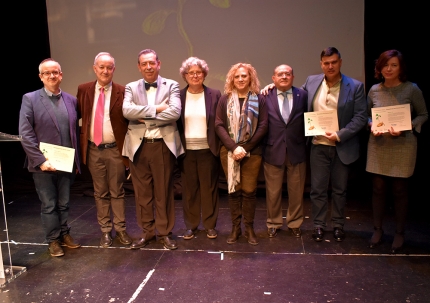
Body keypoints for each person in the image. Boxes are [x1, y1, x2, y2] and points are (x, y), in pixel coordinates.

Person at [302, 47, 367, 242]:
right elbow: (298, 101)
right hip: (318, 145)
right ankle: (319, 225)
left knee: (339, 190)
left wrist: (339, 135)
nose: (330, 66)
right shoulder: (311, 82)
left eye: (334, 62)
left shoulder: (355, 86)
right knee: (318, 189)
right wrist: (270, 88)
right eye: (326, 63)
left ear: (340, 62)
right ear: (321, 64)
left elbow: (361, 117)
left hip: (342, 146)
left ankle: (338, 224)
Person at [366, 49, 428, 254]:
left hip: (403, 145)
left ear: (400, 68)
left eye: (393, 65)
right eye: (385, 65)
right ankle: (377, 230)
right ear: (379, 68)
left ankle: (400, 232)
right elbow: (367, 116)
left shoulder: (411, 89)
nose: (389, 69)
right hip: (379, 145)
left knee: (400, 190)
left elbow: (423, 115)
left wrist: (407, 126)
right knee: (378, 188)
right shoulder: (374, 90)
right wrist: (371, 125)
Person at [19, 58, 81, 257]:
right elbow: (25, 133)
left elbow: (74, 131)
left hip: (66, 162)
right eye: (47, 73)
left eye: (55, 72)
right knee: (49, 204)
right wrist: (40, 161)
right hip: (43, 165)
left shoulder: (71, 100)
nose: (52, 76)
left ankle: (64, 234)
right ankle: (53, 240)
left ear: (61, 74)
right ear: (41, 77)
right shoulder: (30, 99)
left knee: (64, 203)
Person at [122, 49, 184, 250]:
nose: (148, 67)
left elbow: (174, 113)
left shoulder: (172, 85)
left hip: (163, 147)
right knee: (142, 194)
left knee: (164, 192)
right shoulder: (131, 87)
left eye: (151, 63)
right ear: (139, 67)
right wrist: (157, 109)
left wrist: (144, 117)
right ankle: (147, 233)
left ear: (159, 63)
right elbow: (126, 111)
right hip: (138, 147)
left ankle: (165, 233)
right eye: (144, 63)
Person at [76, 52, 132, 248]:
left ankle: (121, 229)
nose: (105, 71)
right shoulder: (83, 90)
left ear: (114, 69)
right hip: (93, 149)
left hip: (115, 150)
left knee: (117, 191)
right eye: (102, 67)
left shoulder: (123, 91)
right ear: (95, 68)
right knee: (100, 192)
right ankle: (106, 231)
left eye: (109, 67)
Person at [215, 63, 268, 245]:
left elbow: (263, 126)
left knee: (249, 191)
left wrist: (245, 148)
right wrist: (233, 147)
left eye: (244, 76)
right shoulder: (225, 99)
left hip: (252, 152)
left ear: (250, 78)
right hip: (229, 152)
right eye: (237, 76)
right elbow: (219, 125)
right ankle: (236, 228)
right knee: (234, 192)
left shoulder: (259, 99)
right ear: (232, 79)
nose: (240, 79)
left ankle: (250, 228)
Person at [177, 57, 222, 240]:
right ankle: (191, 226)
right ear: (185, 75)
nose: (195, 76)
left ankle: (210, 225)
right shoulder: (178, 96)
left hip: (208, 150)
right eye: (191, 73)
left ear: (204, 74)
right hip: (186, 151)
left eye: (198, 72)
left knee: (209, 189)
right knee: (190, 190)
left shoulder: (215, 94)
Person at [262, 64, 308, 238]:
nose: (283, 77)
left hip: (297, 149)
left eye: (287, 74)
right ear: (273, 78)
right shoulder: (265, 96)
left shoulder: (302, 95)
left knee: (296, 190)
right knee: (272, 191)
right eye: (279, 74)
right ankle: (273, 222)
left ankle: (295, 222)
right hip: (273, 150)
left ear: (293, 77)